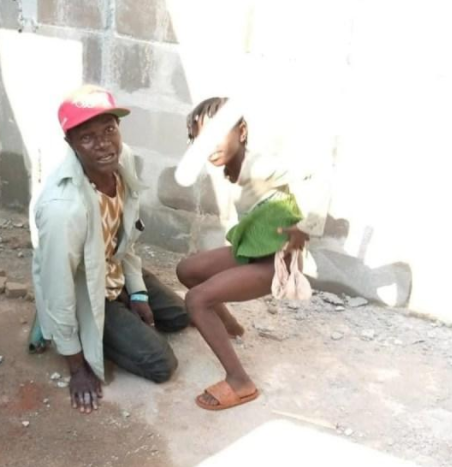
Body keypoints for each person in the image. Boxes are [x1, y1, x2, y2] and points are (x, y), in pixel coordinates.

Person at [31, 85, 189, 414]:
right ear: (70, 144)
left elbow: (126, 235)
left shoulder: (121, 160)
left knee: (179, 316)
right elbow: (59, 289)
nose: (104, 144)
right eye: (87, 137)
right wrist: (78, 367)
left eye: (109, 130)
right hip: (85, 290)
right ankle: (84, 330)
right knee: (161, 364)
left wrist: (138, 293)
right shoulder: (64, 209)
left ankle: (119, 310)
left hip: (110, 265)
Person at [176, 97, 328, 411]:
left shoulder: (259, 167)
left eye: (215, 136)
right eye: (199, 140)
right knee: (187, 270)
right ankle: (229, 327)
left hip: (275, 264)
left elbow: (315, 176)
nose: (208, 147)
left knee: (196, 300)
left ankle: (239, 382)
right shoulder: (233, 168)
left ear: (242, 132)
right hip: (253, 252)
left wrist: (305, 228)